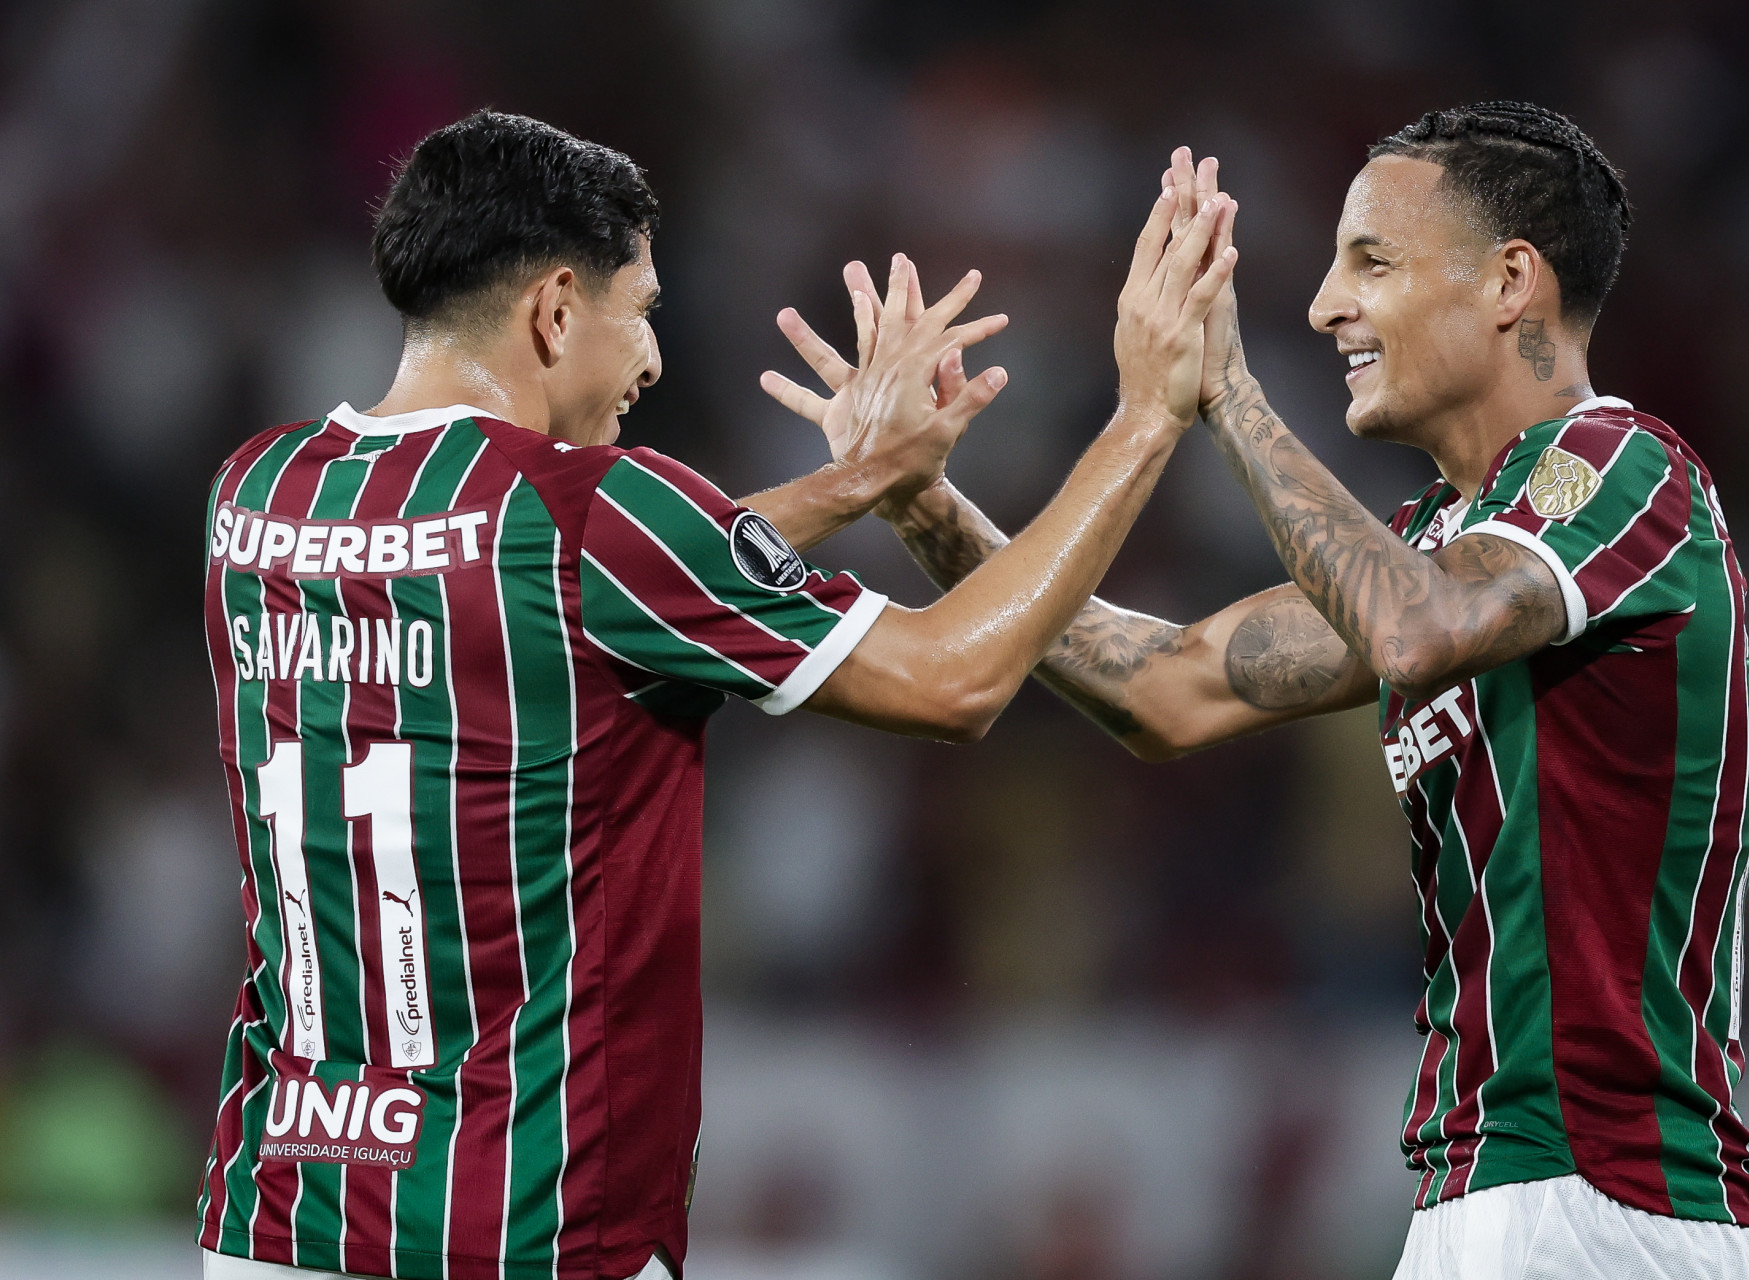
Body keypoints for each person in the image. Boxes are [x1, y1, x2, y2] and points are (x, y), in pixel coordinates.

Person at [196, 109, 1235, 1280]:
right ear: (552, 309)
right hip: (522, 1231)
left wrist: (858, 481)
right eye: (639, 312)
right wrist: (1148, 415)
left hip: (278, 1218)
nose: (650, 359)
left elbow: (559, 593)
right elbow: (957, 679)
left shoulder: (261, 496)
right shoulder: (594, 513)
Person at [768, 103, 1749, 1279]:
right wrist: (915, 496)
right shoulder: (1440, 543)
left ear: (1511, 282)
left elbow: (1418, 631)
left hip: (1606, 1195)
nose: (1325, 303)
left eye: (1372, 261)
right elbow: (1164, 688)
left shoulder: (1622, 468)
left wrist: (1225, 391)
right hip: (1495, 1191)